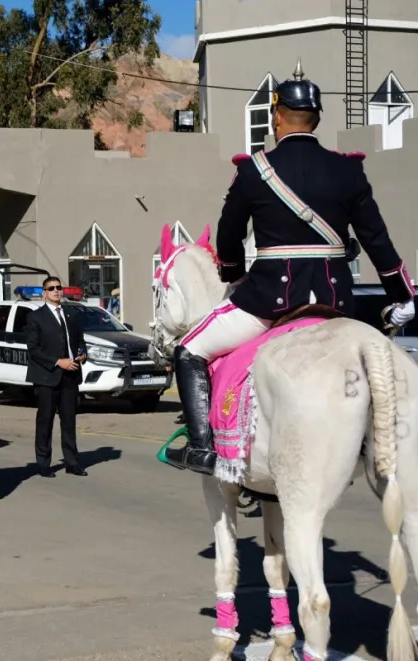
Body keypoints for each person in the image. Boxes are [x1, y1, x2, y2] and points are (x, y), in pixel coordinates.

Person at [166, 59, 417, 476]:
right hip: (335, 301)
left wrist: (232, 274)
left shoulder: (252, 171)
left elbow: (228, 239)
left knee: (188, 350)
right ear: (316, 118)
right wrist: (402, 296)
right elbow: (377, 241)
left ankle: (202, 449)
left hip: (268, 301)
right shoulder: (348, 169)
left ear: (277, 117)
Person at [25, 277, 88, 477]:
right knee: (45, 420)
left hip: (70, 375)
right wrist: (57, 361)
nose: (56, 291)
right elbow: (33, 349)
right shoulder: (36, 317)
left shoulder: (71, 314)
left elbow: (80, 340)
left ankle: (72, 462)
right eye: (51, 288)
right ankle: (43, 462)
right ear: (44, 293)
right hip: (47, 376)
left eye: (58, 288)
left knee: (69, 420)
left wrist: (83, 352)